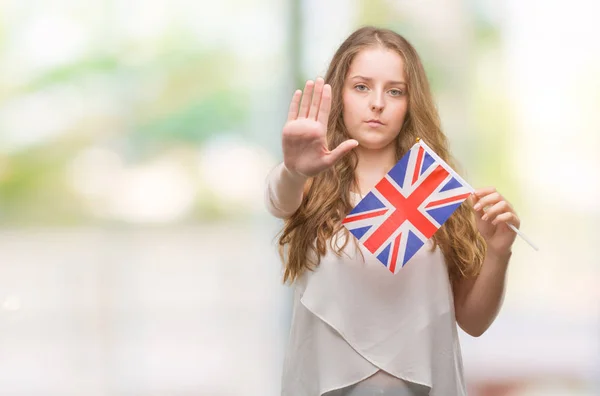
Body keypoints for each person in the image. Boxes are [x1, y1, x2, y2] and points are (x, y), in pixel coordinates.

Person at [264, 26, 520, 396]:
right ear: (340, 95)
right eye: (362, 87)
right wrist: (294, 170)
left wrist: (499, 251)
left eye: (395, 91)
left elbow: (474, 321)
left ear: (410, 102)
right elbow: (278, 199)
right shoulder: (310, 180)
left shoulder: (432, 186)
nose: (378, 103)